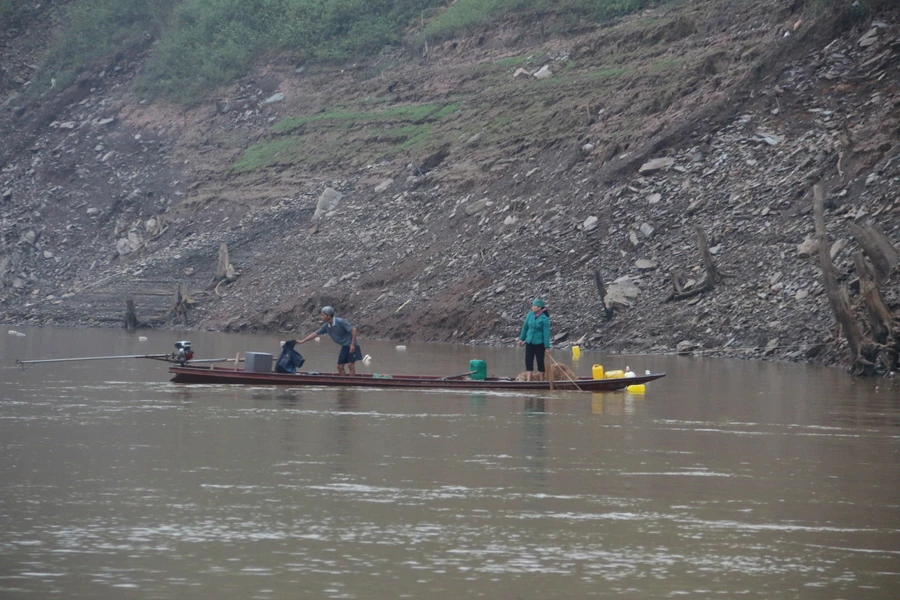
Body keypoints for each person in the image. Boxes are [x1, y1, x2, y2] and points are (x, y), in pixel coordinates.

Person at [293, 306, 362, 376]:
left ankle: (351, 384)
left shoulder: (340, 321)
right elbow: (315, 334)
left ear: (328, 315)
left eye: (323, 315)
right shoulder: (327, 326)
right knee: (340, 367)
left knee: (350, 365)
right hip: (345, 346)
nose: (321, 317)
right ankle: (344, 384)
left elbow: (354, 330)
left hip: (352, 345)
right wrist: (302, 341)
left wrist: (352, 344)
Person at [517, 298, 551, 381]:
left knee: (540, 361)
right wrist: (521, 339)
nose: (532, 307)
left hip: (539, 343)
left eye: (534, 306)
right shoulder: (530, 315)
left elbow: (546, 333)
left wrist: (547, 347)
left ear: (539, 308)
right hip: (529, 341)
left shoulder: (544, 319)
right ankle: (529, 379)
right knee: (528, 360)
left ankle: (541, 379)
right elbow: (525, 328)